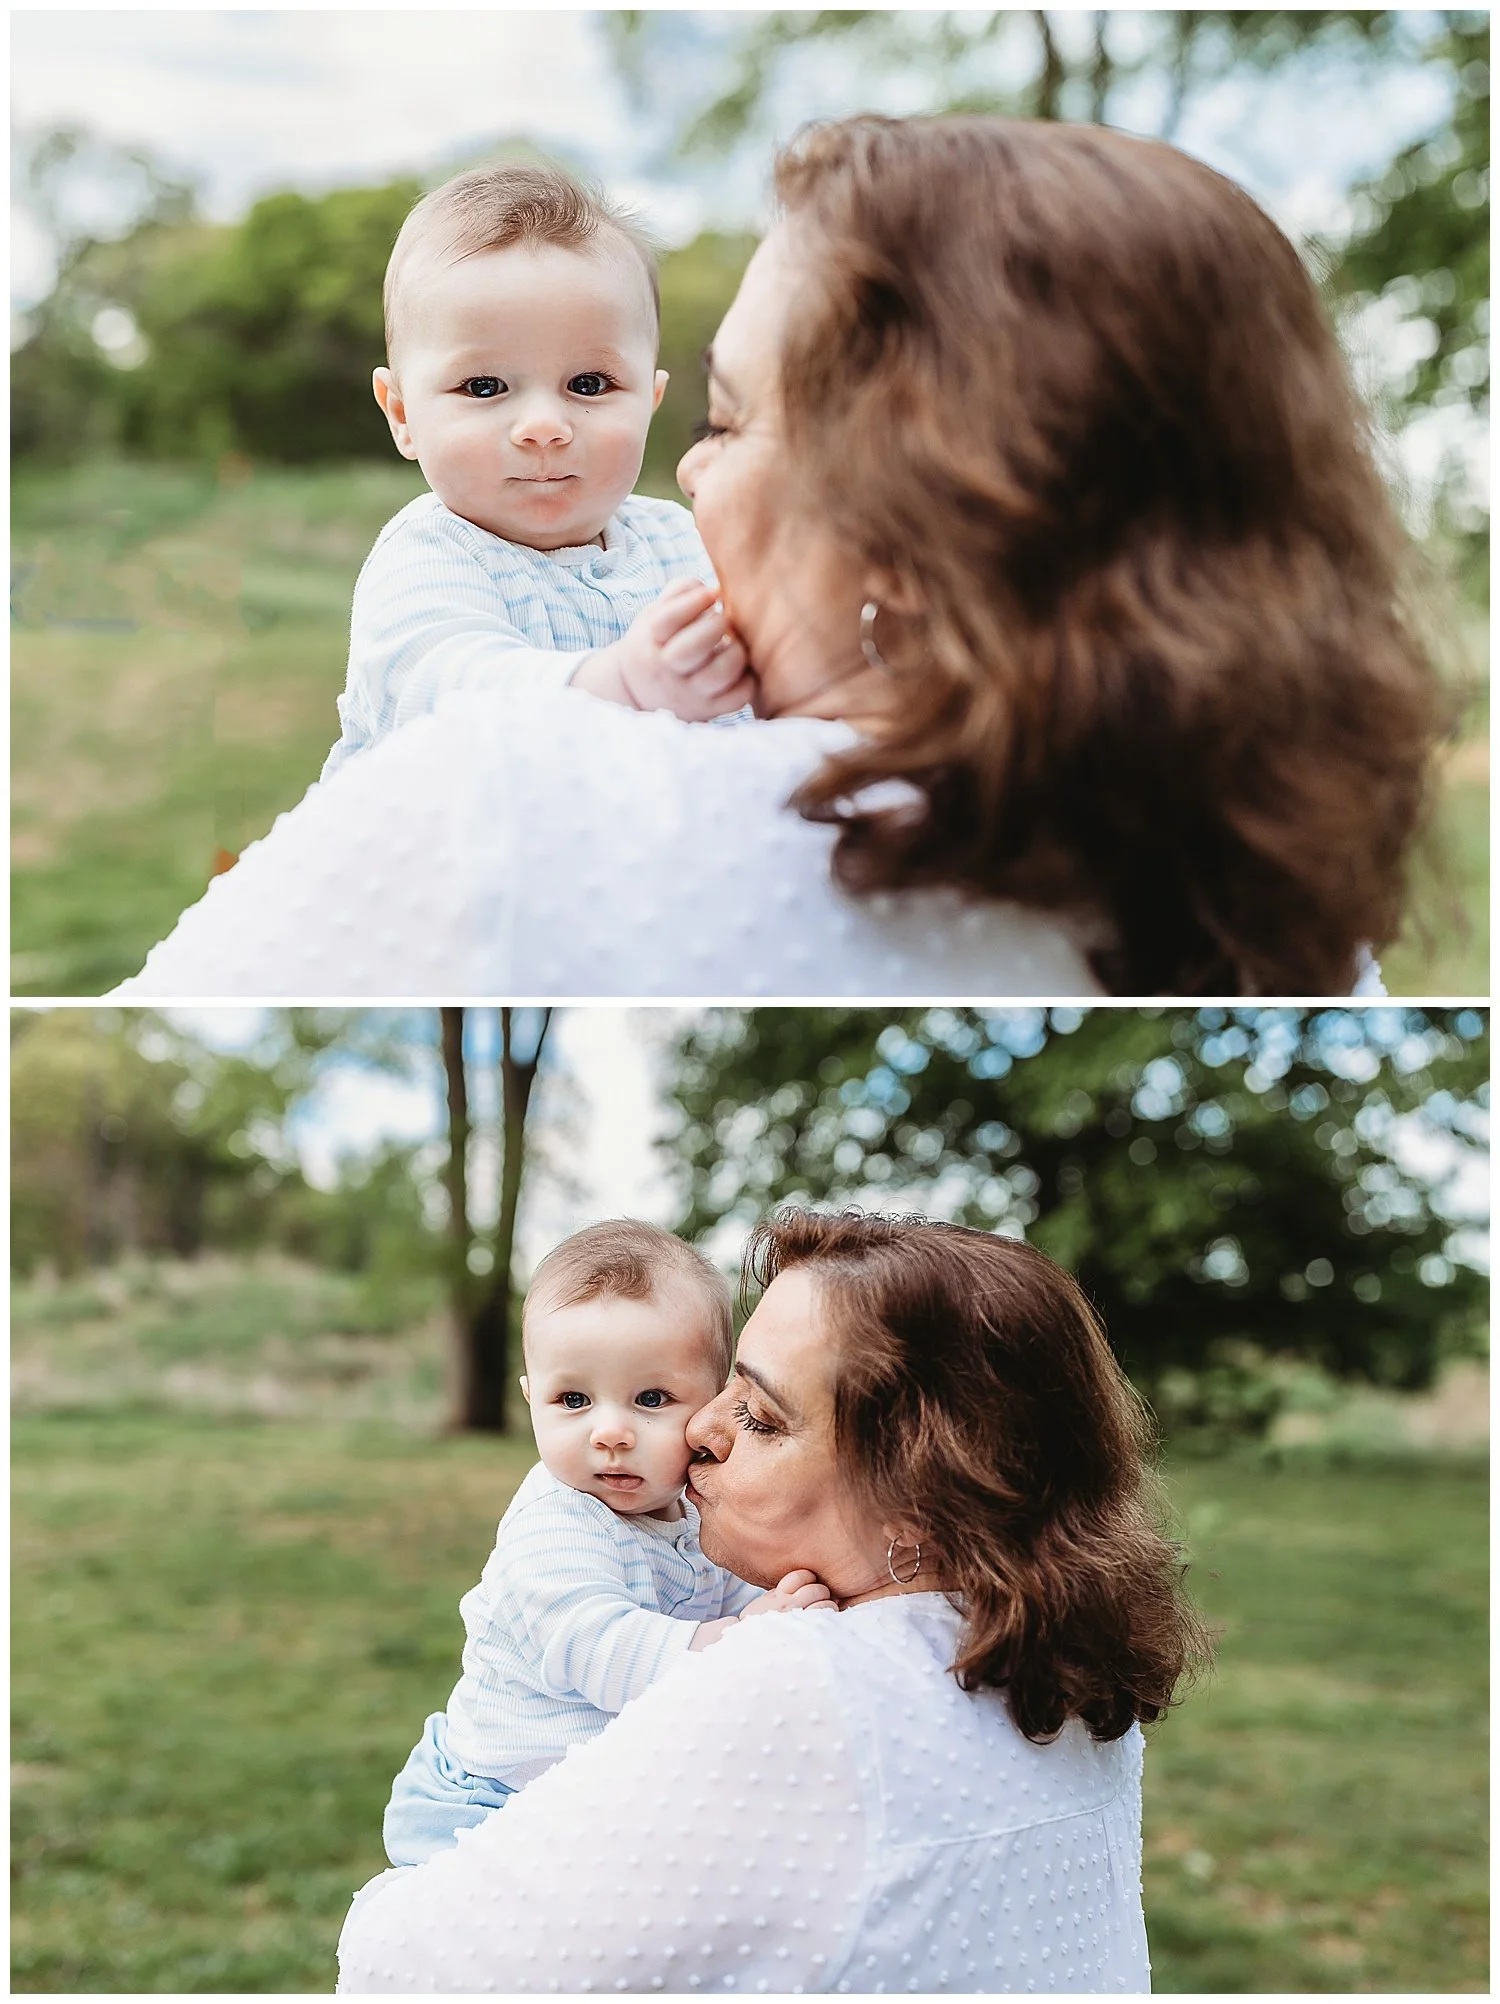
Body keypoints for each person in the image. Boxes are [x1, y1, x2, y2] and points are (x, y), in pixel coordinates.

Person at [115, 115, 1439, 1000]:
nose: (689, 469)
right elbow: (457, 680)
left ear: (920, 527)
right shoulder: (1295, 928)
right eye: (482, 388)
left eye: (723, 419)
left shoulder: (521, 811)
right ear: (400, 410)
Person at [336, 1208, 1210, 1993]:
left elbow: (400, 1964)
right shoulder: (1066, 1676)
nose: (701, 1432)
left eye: (757, 1414)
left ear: (917, 1489)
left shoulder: (798, 1682)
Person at [380, 1220, 827, 1868]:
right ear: (532, 1400)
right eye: (573, 1399)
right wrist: (740, 1639)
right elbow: (592, 1645)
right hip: (490, 1801)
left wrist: (784, 1601)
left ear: (714, 1404)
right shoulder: (558, 1524)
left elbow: (736, 1586)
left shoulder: (695, 1510)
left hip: (590, 1795)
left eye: (651, 1398)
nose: (610, 1431)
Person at [320, 160, 750, 782]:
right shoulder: (432, 556)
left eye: (589, 383)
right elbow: (447, 694)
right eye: (485, 385)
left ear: (649, 402)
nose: (544, 425)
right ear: (403, 415)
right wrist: (620, 682)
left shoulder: (683, 543)